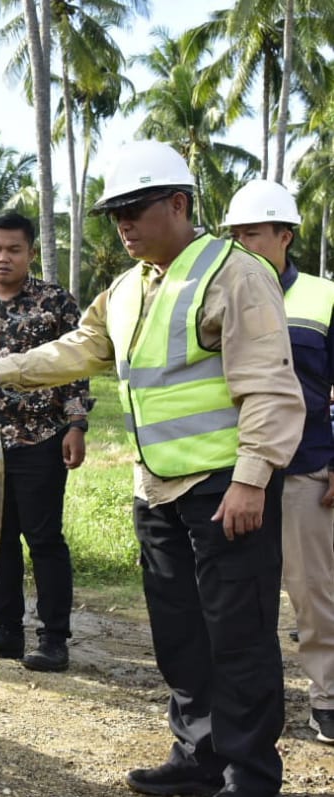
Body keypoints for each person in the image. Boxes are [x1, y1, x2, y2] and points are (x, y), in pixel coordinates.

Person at [0, 140, 304, 797]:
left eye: (136, 209)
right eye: (115, 214)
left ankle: (248, 775)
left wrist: (252, 477)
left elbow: (270, 384)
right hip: (157, 490)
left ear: (179, 204)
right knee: (179, 633)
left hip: (225, 490)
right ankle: (197, 756)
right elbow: (80, 347)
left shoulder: (234, 273)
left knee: (238, 638)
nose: (124, 225)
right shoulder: (128, 290)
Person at [0, 211, 90, 672]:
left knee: (43, 538)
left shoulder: (55, 303)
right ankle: (5, 628)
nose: (3, 258)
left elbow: (77, 367)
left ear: (30, 252)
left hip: (41, 437)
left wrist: (76, 425)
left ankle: (53, 637)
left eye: (13, 249)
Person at [222, 179, 334, 746]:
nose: (242, 244)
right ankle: (246, 706)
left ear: (285, 235)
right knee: (240, 596)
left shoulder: (322, 297)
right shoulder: (221, 292)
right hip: (235, 472)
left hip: (306, 467)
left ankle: (328, 698)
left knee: (313, 591)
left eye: (253, 233)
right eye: (234, 235)